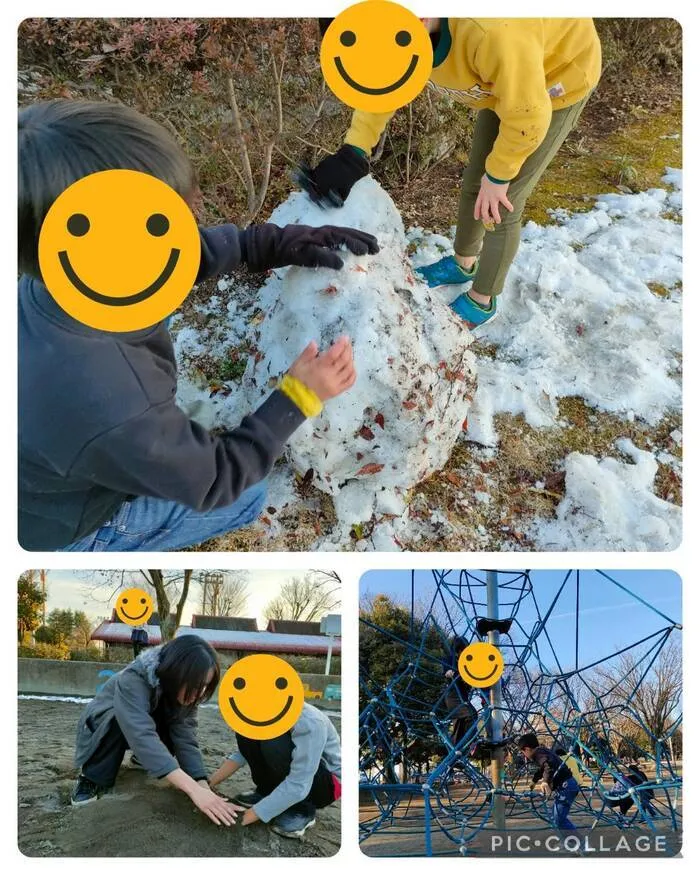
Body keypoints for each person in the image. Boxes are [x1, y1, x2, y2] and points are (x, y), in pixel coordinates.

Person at [18, 99, 379, 551]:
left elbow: (173, 257)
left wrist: (274, 243)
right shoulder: (113, 401)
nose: (191, 219)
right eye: (165, 221)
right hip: (66, 526)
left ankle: (152, 456)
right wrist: (299, 395)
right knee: (248, 495)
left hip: (65, 456)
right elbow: (217, 480)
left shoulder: (62, 282)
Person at [308, 18, 601, 328]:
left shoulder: (490, 33)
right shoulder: (400, 29)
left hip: (556, 80)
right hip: (505, 83)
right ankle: (463, 264)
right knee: (476, 182)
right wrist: (353, 152)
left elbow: (528, 116)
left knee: (501, 202)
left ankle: (482, 300)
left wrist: (499, 176)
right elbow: (385, 85)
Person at [71, 635, 241, 827]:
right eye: (194, 685)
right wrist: (192, 790)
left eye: (204, 686)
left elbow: (186, 737)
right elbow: (140, 733)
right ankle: (92, 778)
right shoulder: (133, 678)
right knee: (118, 720)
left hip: (144, 724)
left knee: (174, 722)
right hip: (105, 723)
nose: (199, 693)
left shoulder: (188, 693)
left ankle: (141, 759)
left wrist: (200, 782)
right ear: (176, 672)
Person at [209, 701, 341, 839]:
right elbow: (244, 753)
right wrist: (209, 783)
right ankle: (266, 792)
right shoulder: (261, 711)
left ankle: (303, 810)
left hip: (325, 784)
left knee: (273, 741)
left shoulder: (309, 721)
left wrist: (246, 817)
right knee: (246, 735)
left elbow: (300, 782)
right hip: (301, 776)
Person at [518, 732, 580, 834]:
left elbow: (548, 766)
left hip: (566, 786)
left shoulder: (539, 754)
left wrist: (545, 781)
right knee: (557, 818)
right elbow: (542, 768)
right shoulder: (542, 752)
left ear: (528, 749)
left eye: (523, 752)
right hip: (566, 786)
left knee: (559, 820)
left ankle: (580, 844)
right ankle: (570, 842)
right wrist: (534, 780)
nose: (524, 755)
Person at [443, 635, 479, 748]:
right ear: (458, 650)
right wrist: (448, 671)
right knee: (472, 714)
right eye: (462, 650)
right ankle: (472, 741)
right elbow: (446, 670)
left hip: (463, 696)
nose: (463, 652)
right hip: (453, 696)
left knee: (458, 727)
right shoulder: (451, 659)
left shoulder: (467, 661)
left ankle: (455, 757)